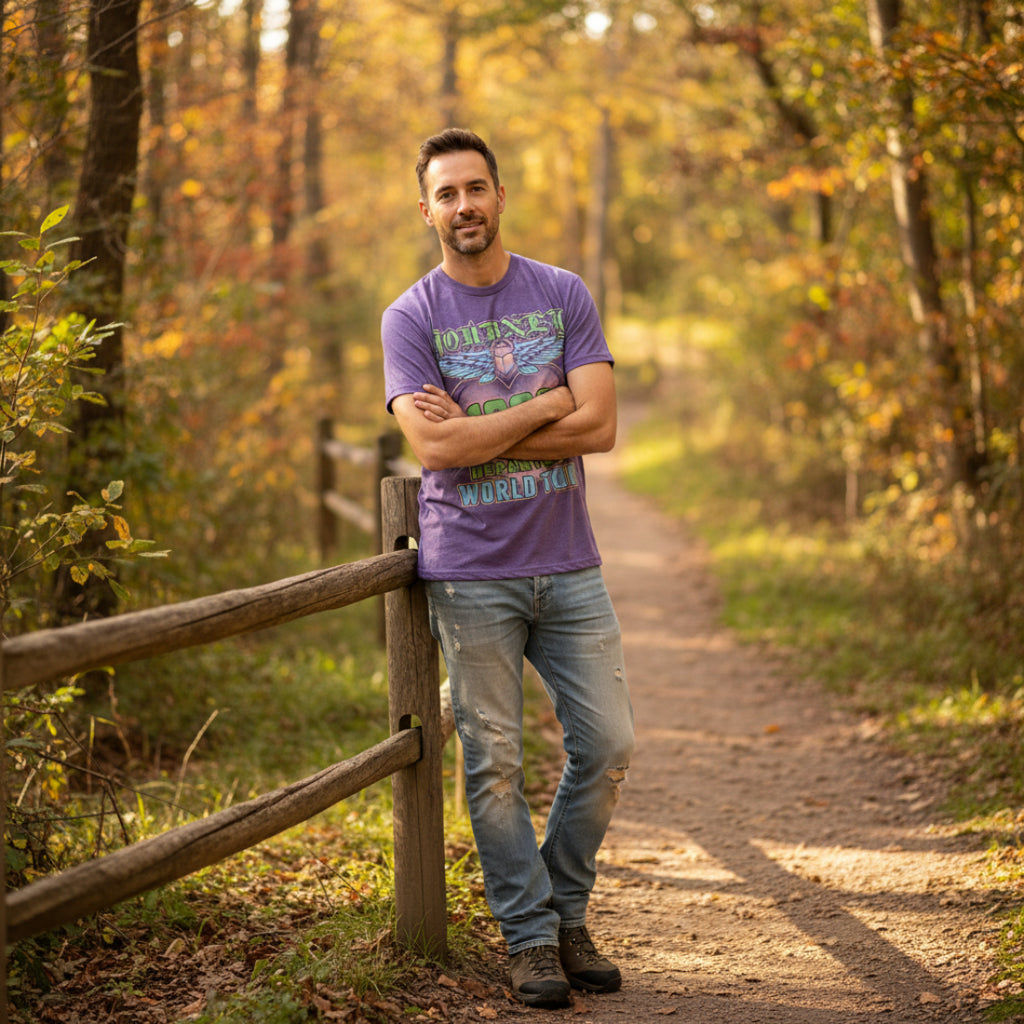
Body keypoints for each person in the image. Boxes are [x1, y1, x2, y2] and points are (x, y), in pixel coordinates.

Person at [380, 128, 635, 1010]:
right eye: (446, 194)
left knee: (607, 746)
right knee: (490, 764)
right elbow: (433, 449)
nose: (465, 207)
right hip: (471, 572)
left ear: (500, 194)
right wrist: (550, 398)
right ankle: (530, 941)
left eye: (476, 188)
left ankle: (567, 914)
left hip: (568, 563)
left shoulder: (562, 292)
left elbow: (599, 427)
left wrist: (480, 430)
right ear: (427, 211)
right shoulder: (410, 317)